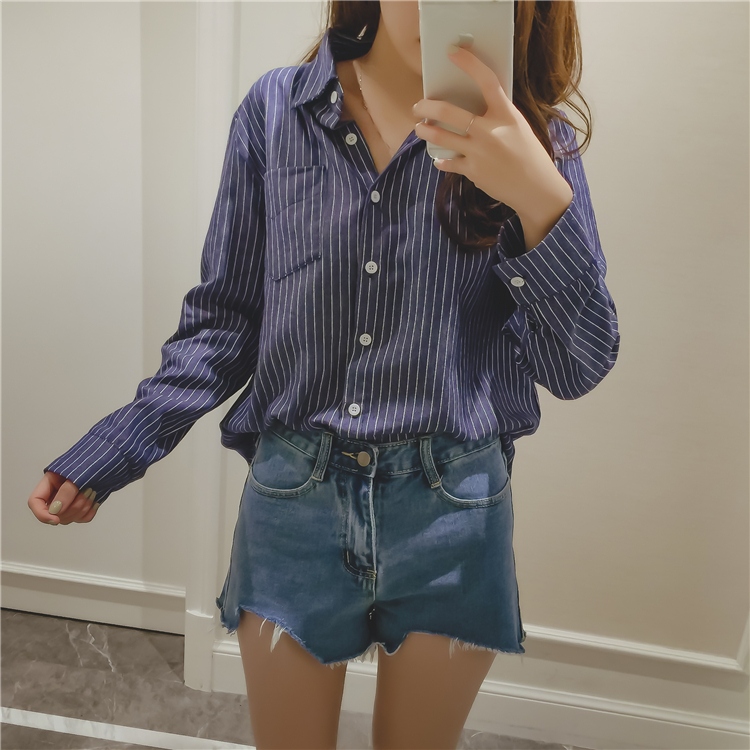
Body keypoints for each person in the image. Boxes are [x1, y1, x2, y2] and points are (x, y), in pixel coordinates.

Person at [28, 1, 620, 748]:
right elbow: (227, 319)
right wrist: (120, 444)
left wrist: (538, 198)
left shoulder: (537, 143)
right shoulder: (276, 111)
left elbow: (578, 363)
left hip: (454, 513)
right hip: (294, 504)